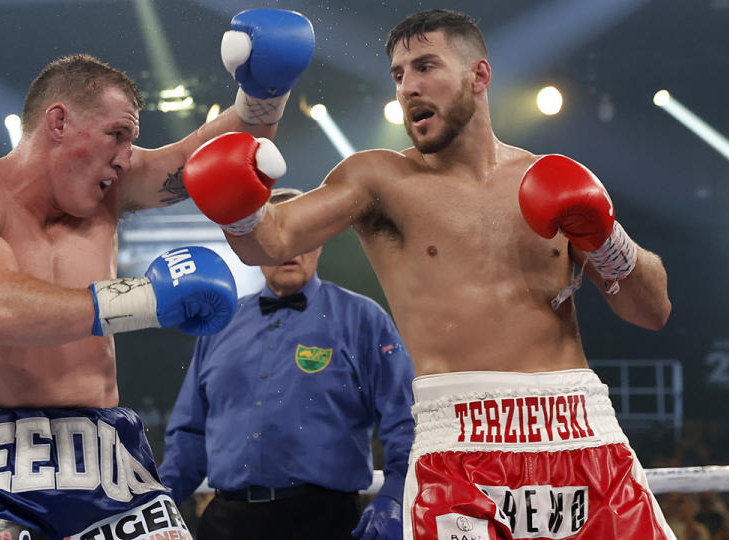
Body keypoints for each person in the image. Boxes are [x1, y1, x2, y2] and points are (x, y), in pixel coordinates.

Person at [181, 8, 675, 540]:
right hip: (462, 441)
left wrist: (604, 235)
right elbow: (268, 241)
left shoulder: (549, 177)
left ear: (479, 76)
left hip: (582, 428)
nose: (408, 87)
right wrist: (235, 199)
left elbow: (650, 311)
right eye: (398, 75)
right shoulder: (380, 180)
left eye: (424, 66)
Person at [0, 9, 315, 539]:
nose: (127, 159)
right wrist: (147, 299)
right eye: (117, 135)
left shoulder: (108, 190)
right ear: (58, 123)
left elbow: (206, 159)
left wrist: (264, 93)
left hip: (103, 453)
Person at [159, 187, 415, 540]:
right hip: (226, 522)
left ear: (321, 240)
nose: (288, 248)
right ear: (254, 246)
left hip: (325, 521)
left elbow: (405, 421)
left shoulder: (363, 319)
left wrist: (396, 494)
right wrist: (159, 502)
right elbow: (189, 432)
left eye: (300, 235)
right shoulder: (221, 323)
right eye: (273, 237)